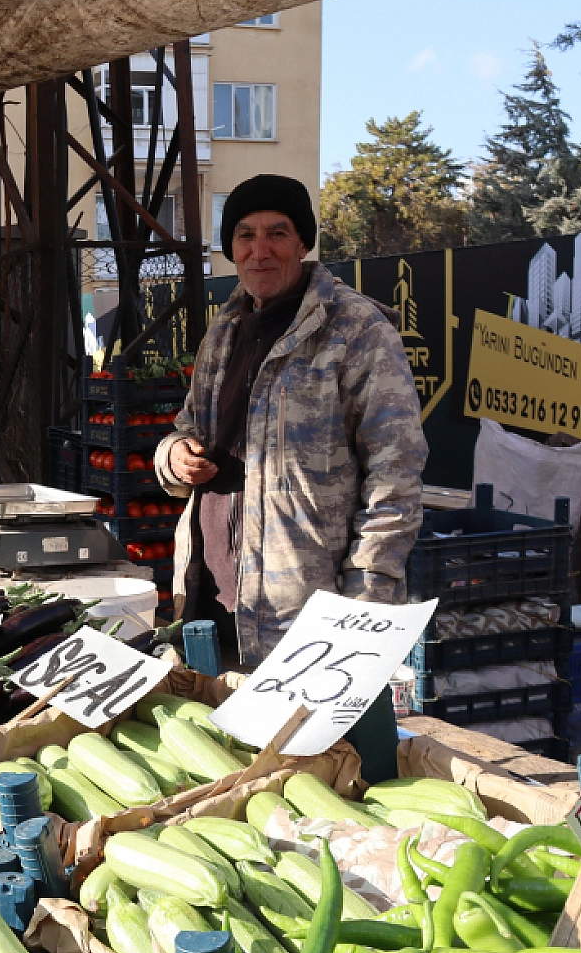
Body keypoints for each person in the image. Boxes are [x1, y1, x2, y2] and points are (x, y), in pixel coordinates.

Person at [152, 175, 426, 775]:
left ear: (302, 243)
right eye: (245, 235)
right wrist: (172, 457)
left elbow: (396, 475)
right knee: (232, 779)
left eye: (278, 233)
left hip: (307, 614)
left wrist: (367, 604)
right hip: (212, 597)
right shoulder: (223, 331)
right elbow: (184, 427)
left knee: (333, 780)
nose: (260, 249)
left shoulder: (355, 330)